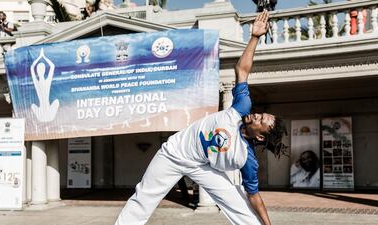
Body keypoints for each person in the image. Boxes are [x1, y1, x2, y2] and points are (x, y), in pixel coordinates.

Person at [115, 10, 287, 225]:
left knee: (240, 205)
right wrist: (254, 37)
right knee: (144, 197)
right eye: (262, 114)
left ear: (261, 137)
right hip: (175, 153)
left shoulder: (246, 159)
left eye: (262, 121)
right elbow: (241, 70)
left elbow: (254, 196)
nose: (257, 115)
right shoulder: (240, 109)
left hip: (203, 166)